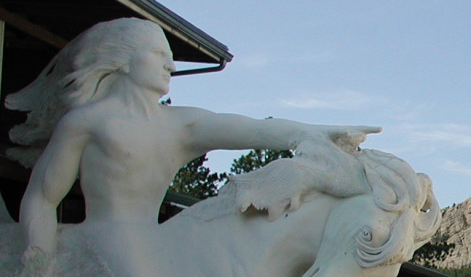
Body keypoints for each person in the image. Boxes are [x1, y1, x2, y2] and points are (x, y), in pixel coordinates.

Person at [5, 17, 380, 264]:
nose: (171, 65)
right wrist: (38, 261)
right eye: (158, 56)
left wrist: (311, 133)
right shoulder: (86, 122)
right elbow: (41, 198)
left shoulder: (179, 124)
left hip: (153, 246)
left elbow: (254, 129)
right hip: (103, 249)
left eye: (171, 58)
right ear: (123, 61)